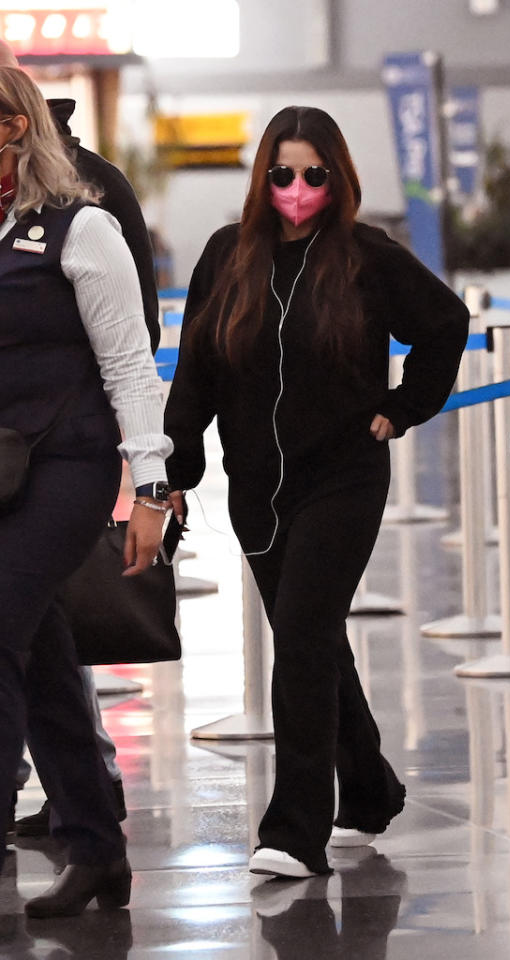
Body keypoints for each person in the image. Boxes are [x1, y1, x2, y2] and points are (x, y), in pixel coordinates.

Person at [164, 105, 469, 878]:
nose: (297, 188)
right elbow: (196, 369)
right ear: (262, 177)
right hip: (257, 487)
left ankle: (295, 830)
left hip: (343, 478)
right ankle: (368, 789)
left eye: (313, 174)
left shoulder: (367, 257)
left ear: (337, 178)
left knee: (300, 635)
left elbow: (445, 323)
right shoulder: (224, 258)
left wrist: (402, 409)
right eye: (282, 173)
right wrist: (175, 473)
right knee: (316, 640)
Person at [0, 65, 173, 916]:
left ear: (17, 128)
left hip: (67, 466)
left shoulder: (82, 226)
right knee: (41, 657)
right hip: (1, 466)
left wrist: (151, 488)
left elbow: (130, 364)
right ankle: (96, 847)